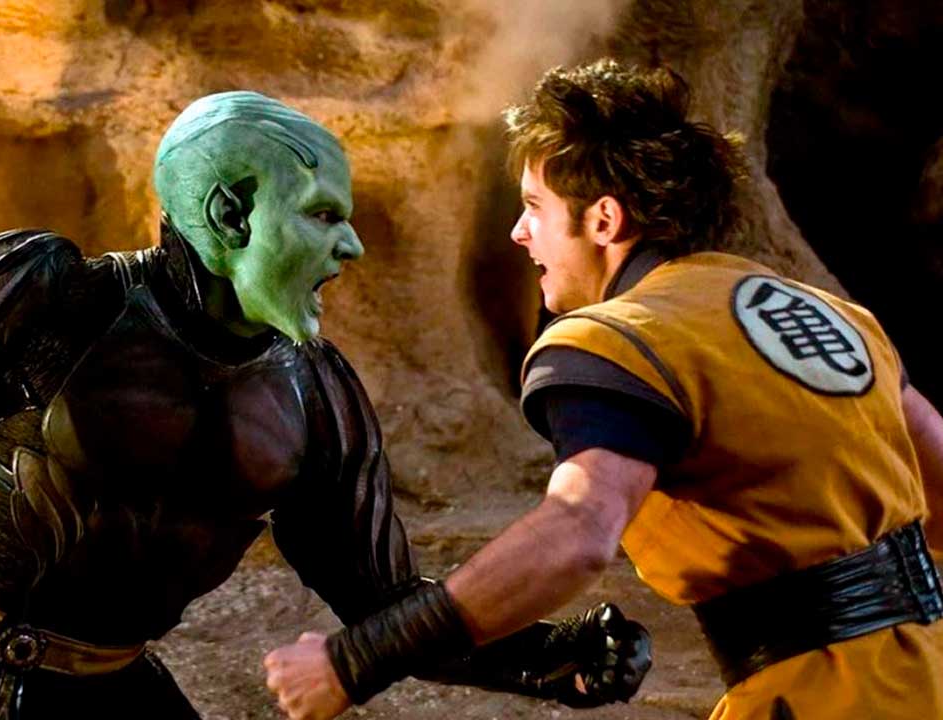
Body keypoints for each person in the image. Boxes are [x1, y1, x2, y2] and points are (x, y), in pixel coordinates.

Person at [0, 91, 651, 719]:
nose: (352, 247)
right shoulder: (41, 294)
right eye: (322, 214)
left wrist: (549, 657)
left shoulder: (318, 395)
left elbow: (384, 608)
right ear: (230, 215)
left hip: (110, 688)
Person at [264, 59, 943, 720]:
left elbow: (579, 533)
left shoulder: (614, 340)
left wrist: (355, 660)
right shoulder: (832, 316)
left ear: (604, 220)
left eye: (534, 206)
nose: (518, 232)